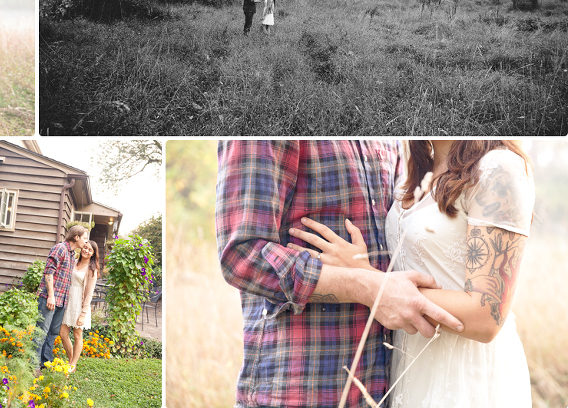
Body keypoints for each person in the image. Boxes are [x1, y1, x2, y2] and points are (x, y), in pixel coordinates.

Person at [215, 140, 463, 408]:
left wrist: (369, 276)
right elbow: (242, 255)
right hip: (299, 390)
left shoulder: (391, 139)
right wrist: (368, 286)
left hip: (385, 386)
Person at [295, 140, 534, 407]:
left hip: (467, 371)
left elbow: (486, 316)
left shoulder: (497, 168)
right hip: (410, 362)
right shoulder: (414, 173)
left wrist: (367, 278)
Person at [34, 225, 90, 369]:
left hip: (62, 301)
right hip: (50, 298)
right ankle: (33, 367)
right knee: (41, 332)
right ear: (76, 237)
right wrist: (51, 296)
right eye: (84, 238)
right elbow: (48, 273)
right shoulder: (60, 248)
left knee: (52, 333)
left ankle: (45, 363)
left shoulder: (72, 255)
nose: (86, 241)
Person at [60, 240, 101, 372]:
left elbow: (89, 293)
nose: (86, 250)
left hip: (80, 303)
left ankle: (72, 364)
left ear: (93, 254)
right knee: (62, 333)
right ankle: (72, 360)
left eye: (90, 250)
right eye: (85, 247)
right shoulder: (74, 261)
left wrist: (83, 314)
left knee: (77, 335)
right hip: (68, 301)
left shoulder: (92, 270)